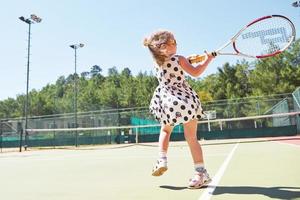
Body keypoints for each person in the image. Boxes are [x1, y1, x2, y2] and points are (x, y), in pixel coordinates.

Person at [143, 30, 215, 189]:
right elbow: (196, 72)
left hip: (167, 102)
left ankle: (162, 159)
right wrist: (208, 59)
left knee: (166, 131)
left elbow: (173, 63)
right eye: (173, 42)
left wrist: (191, 59)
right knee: (191, 138)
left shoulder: (156, 62)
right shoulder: (180, 59)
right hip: (185, 101)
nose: (177, 44)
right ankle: (200, 173)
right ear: (163, 46)